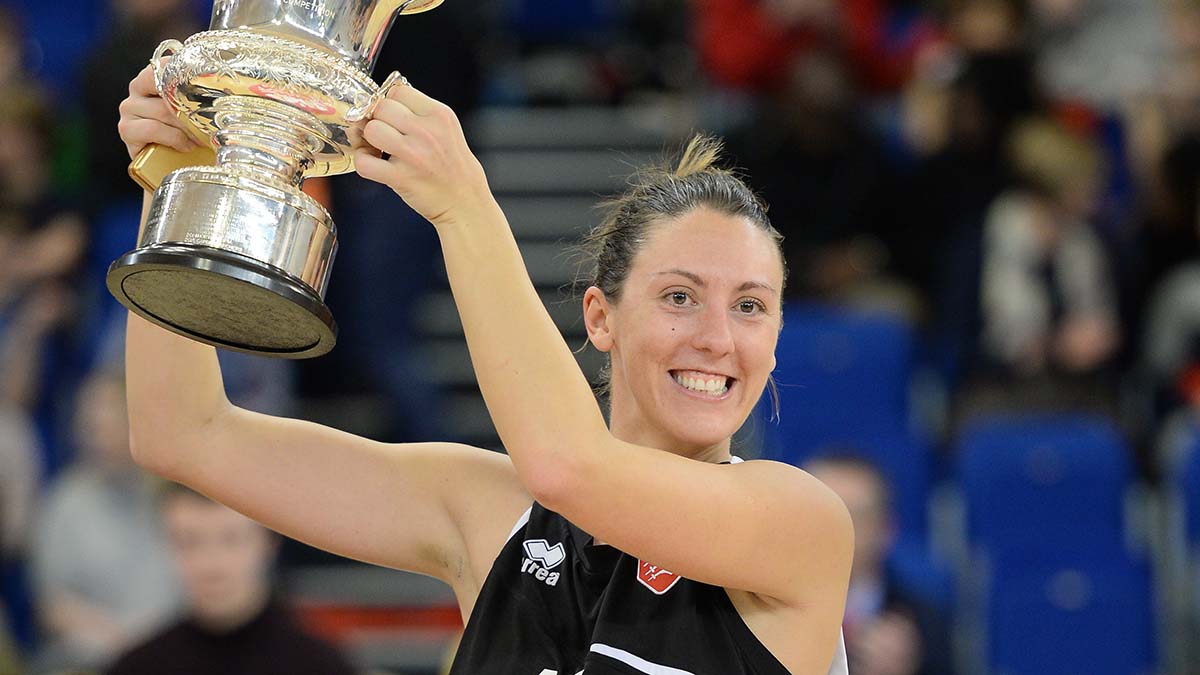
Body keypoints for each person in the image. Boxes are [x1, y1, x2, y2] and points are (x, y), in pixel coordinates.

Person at [116, 61, 853, 673]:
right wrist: (176, 188)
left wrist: (465, 205)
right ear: (600, 317)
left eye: (751, 306)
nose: (718, 337)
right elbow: (183, 433)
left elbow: (569, 466)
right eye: (681, 296)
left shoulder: (801, 523)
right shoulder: (489, 512)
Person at [105, 482, 357, 675]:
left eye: (231, 539)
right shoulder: (138, 666)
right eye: (189, 542)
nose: (211, 565)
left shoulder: (320, 665)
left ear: (269, 542)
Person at [804, 454, 952, 675]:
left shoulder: (923, 626)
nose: (831, 531)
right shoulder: (752, 610)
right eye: (816, 513)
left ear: (886, 530)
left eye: (853, 517)